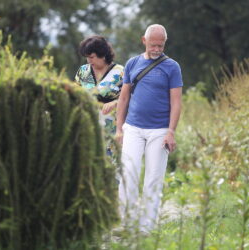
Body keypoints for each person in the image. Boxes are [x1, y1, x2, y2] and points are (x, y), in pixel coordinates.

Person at [115, 24, 183, 234]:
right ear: (143, 41)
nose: (156, 49)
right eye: (153, 45)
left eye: (160, 45)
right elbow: (124, 97)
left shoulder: (172, 67)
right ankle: (126, 225)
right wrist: (119, 128)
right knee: (128, 173)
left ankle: (146, 229)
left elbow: (177, 101)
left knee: (153, 179)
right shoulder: (132, 63)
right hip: (133, 128)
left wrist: (171, 131)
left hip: (160, 130)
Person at [75, 35, 124, 138]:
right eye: (87, 57)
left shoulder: (120, 72)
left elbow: (133, 98)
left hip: (112, 129)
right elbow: (75, 94)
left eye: (92, 57)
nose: (88, 61)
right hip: (87, 127)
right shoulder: (83, 71)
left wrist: (115, 103)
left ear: (102, 54)